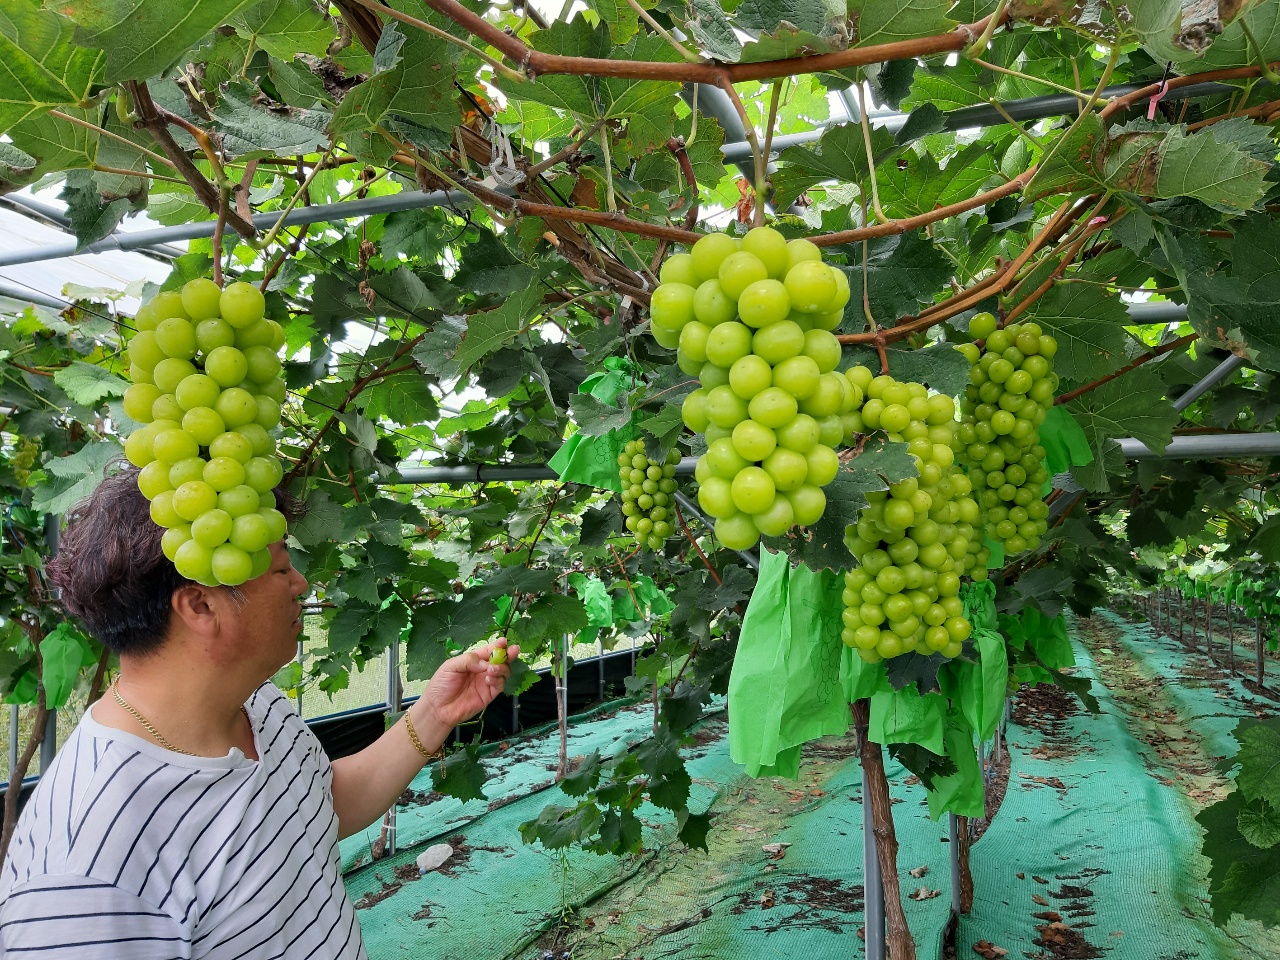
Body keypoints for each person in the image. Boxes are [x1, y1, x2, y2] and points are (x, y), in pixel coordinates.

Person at [0, 467, 517, 958]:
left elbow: (322, 805)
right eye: (280, 568)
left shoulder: (254, 702)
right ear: (201, 606)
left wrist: (434, 713)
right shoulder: (85, 864)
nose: (302, 584)